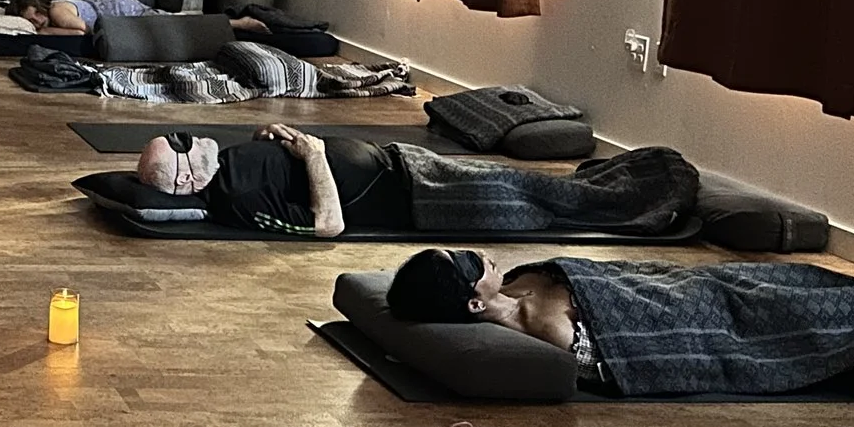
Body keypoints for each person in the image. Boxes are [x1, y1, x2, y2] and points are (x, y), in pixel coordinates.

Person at [384, 249, 854, 397]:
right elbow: (631, 343)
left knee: (807, 278)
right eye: (465, 266)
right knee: (840, 312)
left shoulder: (521, 284)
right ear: (473, 306)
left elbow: (623, 279)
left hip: (695, 287)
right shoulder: (546, 332)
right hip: (706, 319)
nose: (474, 256)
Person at [135, 129, 697, 239]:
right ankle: (653, 200)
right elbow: (328, 225)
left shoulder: (230, 164)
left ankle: (631, 174)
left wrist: (277, 141)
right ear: (186, 180)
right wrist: (312, 154)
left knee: (529, 182)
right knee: (546, 204)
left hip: (406, 163)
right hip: (422, 201)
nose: (190, 138)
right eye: (180, 146)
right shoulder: (237, 202)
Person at [10, 0, 267, 38]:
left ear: (40, 7)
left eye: (35, 17)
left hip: (119, 11)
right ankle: (230, 24)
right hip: (115, 14)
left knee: (172, 23)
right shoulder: (53, 13)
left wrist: (44, 31)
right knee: (172, 21)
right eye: (30, 22)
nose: (36, 23)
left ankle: (237, 22)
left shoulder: (56, 11)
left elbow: (82, 30)